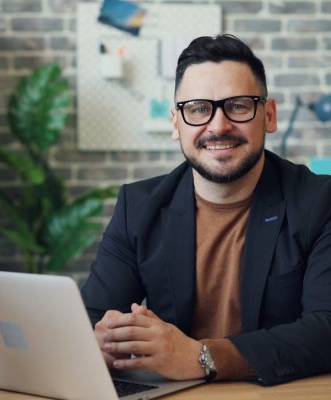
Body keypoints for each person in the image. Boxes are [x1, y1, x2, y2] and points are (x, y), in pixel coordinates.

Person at [81, 34, 331, 386]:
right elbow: (93, 319)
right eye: (198, 109)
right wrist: (101, 341)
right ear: (176, 123)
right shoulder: (136, 207)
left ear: (269, 116)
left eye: (239, 105)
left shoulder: (320, 201)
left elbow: (326, 328)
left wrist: (203, 357)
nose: (217, 125)